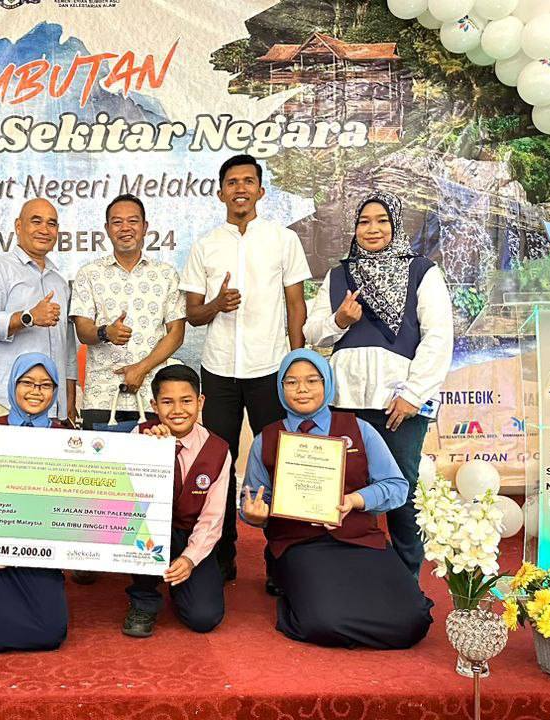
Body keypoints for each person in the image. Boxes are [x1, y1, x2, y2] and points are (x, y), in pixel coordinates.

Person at [240, 349, 433, 649]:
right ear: (280, 387)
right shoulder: (266, 439)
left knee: (413, 621)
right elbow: (251, 500)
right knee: (322, 622)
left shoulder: (360, 429)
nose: (302, 389)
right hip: (300, 545)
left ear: (327, 383)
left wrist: (356, 500)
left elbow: (397, 486)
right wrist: (254, 515)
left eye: (311, 380)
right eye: (291, 382)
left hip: (361, 540)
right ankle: (289, 586)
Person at [179, 154, 311, 591]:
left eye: (248, 181)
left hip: (270, 367)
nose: (240, 188)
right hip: (217, 370)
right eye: (232, 181)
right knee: (218, 463)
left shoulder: (282, 240)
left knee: (278, 462)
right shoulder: (205, 244)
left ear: (260, 190)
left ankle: (280, 562)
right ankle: (221, 558)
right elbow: (193, 314)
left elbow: (296, 304)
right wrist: (217, 305)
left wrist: (298, 363)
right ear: (220, 192)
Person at [303, 191, 453, 576]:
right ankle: (353, 575)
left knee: (401, 492)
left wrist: (413, 395)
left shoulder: (422, 271)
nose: (372, 229)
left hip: (397, 405)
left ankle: (406, 581)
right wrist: (339, 320)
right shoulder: (340, 274)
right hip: (345, 403)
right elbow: (313, 333)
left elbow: (438, 337)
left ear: (396, 225)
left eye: (382, 220)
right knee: (345, 491)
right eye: (364, 221)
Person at [0, 352, 69, 652]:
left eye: (45, 385)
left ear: (55, 391)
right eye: (27, 382)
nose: (36, 391)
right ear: (12, 385)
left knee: (50, 634)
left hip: (40, 549)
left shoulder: (65, 437)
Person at [123, 364, 227, 638]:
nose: (178, 410)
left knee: (204, 617)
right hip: (150, 530)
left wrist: (190, 559)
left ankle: (180, 583)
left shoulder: (218, 450)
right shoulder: (139, 436)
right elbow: (130, 503)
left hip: (191, 533)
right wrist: (154, 453)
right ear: (154, 405)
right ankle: (144, 598)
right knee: (143, 528)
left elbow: (212, 518)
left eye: (186, 401)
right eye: (167, 402)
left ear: (200, 402)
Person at [71, 194, 185, 430]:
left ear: (144, 228)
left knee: (151, 467)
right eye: (117, 222)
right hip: (101, 394)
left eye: (133, 221)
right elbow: (83, 330)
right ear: (107, 228)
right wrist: (106, 332)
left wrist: (141, 369)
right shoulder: (89, 274)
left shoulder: (166, 274)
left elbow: (176, 333)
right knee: (101, 467)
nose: (125, 228)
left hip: (152, 396)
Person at [0, 198, 74, 423]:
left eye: (52, 224)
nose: (44, 230)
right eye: (36, 221)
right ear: (19, 226)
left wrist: (68, 402)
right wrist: (28, 317)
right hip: (5, 402)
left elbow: (67, 347)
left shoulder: (59, 282)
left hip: (51, 406)